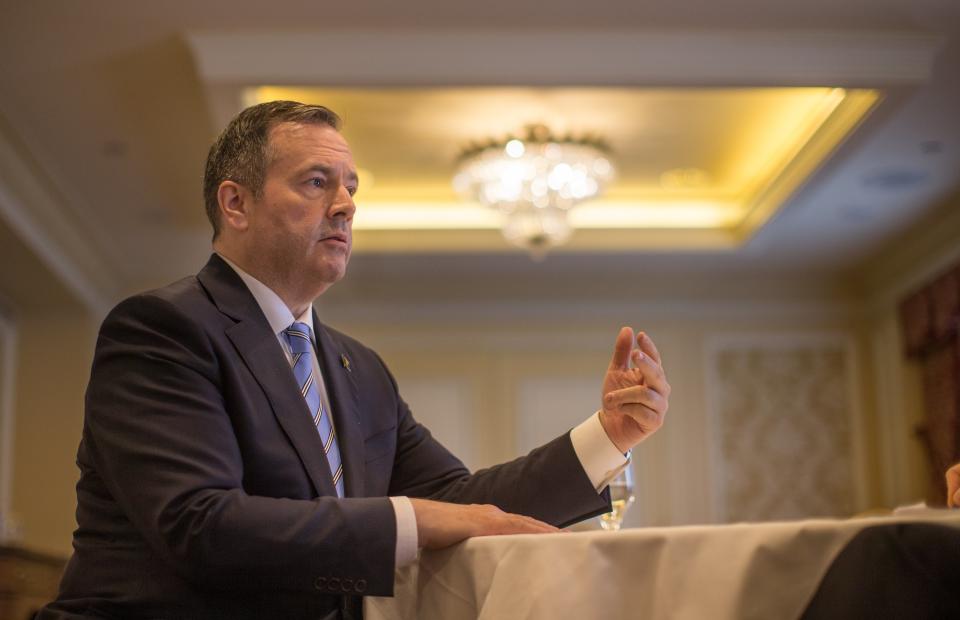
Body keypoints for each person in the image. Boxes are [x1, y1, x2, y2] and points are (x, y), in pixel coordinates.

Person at [40, 101, 671, 620]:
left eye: (350, 187)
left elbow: (460, 499)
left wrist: (607, 437)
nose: (345, 205)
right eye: (316, 183)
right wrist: (416, 519)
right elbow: (200, 525)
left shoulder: (358, 368)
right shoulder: (164, 329)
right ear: (235, 204)